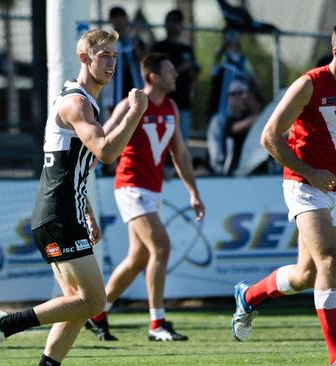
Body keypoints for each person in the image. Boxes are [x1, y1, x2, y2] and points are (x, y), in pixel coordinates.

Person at [0, 29, 148, 366]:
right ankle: (4, 324)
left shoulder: (84, 103)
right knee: (94, 301)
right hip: (57, 215)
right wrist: (134, 112)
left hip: (65, 212)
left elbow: (69, 167)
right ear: (84, 58)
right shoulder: (77, 102)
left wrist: (88, 212)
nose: (111, 62)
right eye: (104, 56)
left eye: (114, 55)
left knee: (76, 304)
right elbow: (106, 151)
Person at [231, 23, 336, 366]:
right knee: (330, 259)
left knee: (307, 274)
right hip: (302, 183)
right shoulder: (308, 84)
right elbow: (269, 137)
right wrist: (310, 171)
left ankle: (248, 295)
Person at [86, 53, 205, 342]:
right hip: (130, 187)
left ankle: (97, 313)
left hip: (152, 191)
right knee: (161, 246)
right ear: (152, 77)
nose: (176, 75)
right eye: (170, 70)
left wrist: (193, 192)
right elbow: (102, 140)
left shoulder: (172, 107)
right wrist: (82, 177)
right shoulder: (131, 104)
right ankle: (157, 323)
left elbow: (180, 153)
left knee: (138, 258)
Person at [151, 9, 200, 142]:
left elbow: (195, 75)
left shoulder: (187, 49)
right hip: (161, 102)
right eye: (170, 21)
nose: (173, 25)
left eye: (176, 22)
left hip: (183, 104)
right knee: (160, 141)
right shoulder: (158, 47)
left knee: (181, 143)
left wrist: (188, 69)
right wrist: (180, 68)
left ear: (181, 25)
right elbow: (152, 73)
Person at [207, 78, 263, 175]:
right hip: (225, 172)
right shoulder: (220, 121)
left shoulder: (247, 116)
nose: (237, 97)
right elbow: (216, 150)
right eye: (233, 94)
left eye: (241, 93)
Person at [100, 6, 145, 117]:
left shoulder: (136, 40)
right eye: (115, 17)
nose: (118, 20)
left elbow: (143, 61)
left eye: (121, 17)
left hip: (135, 91)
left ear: (126, 19)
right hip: (114, 96)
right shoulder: (106, 42)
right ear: (110, 20)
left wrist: (134, 43)